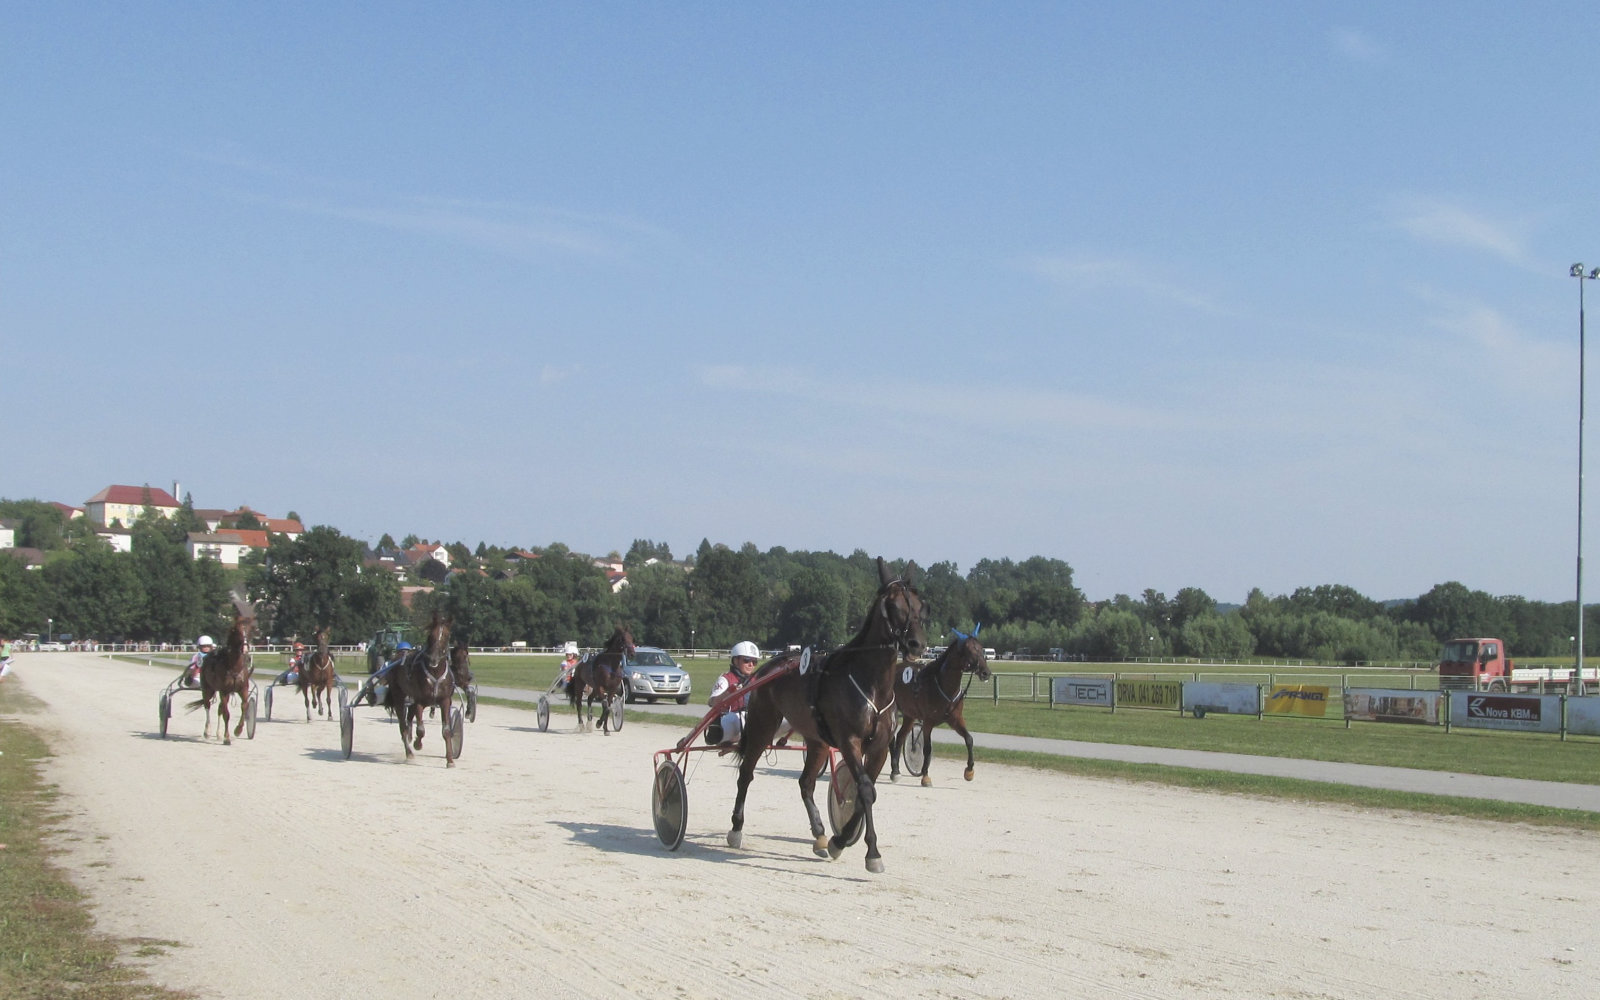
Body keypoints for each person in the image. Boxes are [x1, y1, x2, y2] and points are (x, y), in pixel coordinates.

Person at [705, 641, 761, 746]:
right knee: (742, 717)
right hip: (730, 720)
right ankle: (724, 736)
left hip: (750, 719)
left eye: (754, 662)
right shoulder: (726, 679)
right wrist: (729, 692)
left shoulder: (757, 680)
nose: (751, 665)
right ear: (736, 660)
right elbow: (712, 702)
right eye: (747, 660)